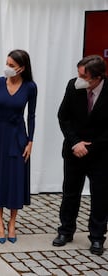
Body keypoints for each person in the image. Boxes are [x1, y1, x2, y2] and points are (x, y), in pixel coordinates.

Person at [53, 55, 108, 256]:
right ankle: (65, 231)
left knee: (101, 196)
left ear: (97, 77)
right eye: (78, 73)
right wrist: (75, 142)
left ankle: (97, 237)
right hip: (73, 151)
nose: (79, 78)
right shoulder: (73, 86)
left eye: (84, 76)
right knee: (70, 193)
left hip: (101, 154)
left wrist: (90, 147)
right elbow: (63, 116)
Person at [0, 49, 37, 244]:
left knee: (16, 179)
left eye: (12, 65)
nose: (7, 68)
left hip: (18, 137)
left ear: (22, 68)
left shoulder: (30, 87)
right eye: (6, 63)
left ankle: (12, 222)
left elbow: (31, 115)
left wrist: (30, 141)